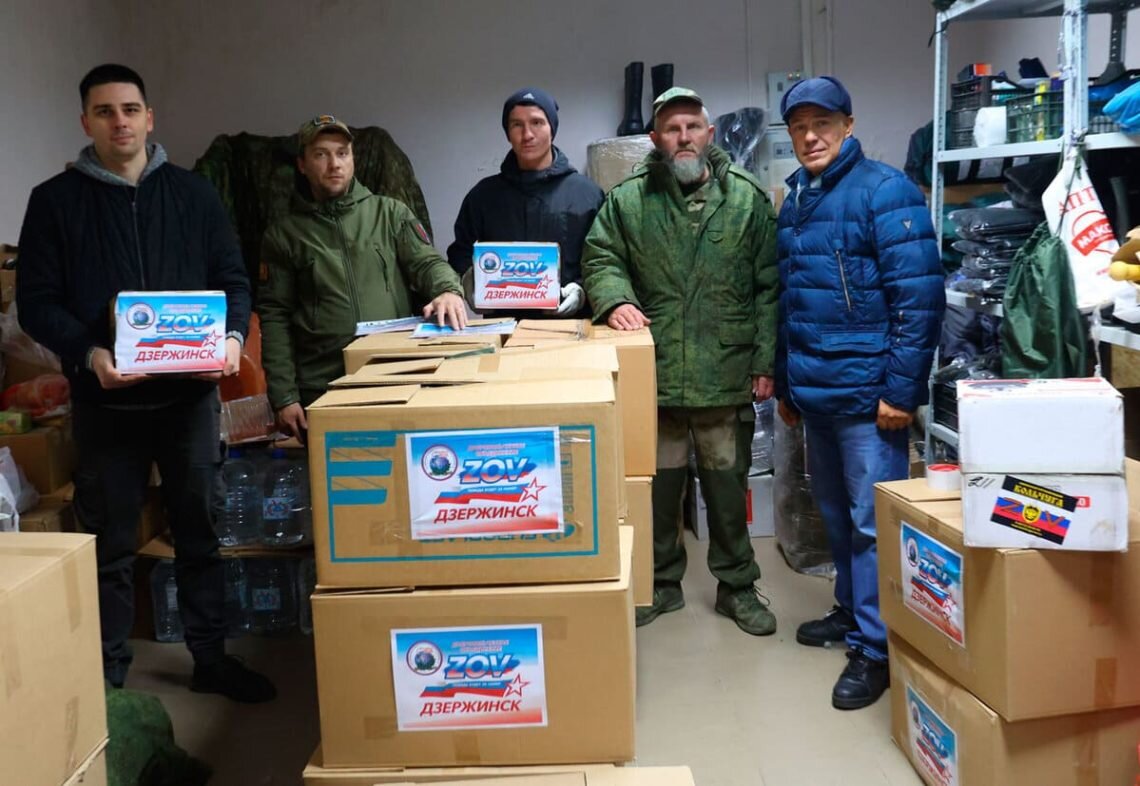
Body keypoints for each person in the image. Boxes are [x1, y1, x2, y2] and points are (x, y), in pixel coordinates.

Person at [17, 63, 274, 702]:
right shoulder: (54, 201)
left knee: (200, 535)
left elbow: (233, 280)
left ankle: (210, 661)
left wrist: (231, 340)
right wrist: (89, 353)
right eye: (105, 112)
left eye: (130, 109)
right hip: (107, 404)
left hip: (188, 402)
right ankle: (107, 679)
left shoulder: (194, 195)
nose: (120, 122)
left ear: (150, 117)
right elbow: (36, 303)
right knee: (109, 545)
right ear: (85, 122)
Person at [582, 87, 779, 636]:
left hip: (725, 369)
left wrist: (764, 361)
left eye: (692, 126)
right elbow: (600, 257)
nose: (684, 137)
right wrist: (615, 299)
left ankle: (737, 587)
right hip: (658, 374)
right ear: (655, 139)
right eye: (672, 129)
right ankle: (660, 583)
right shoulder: (628, 200)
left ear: (710, 134)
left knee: (727, 489)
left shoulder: (746, 199)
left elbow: (769, 285)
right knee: (657, 490)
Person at [774, 76, 944, 710]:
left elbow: (919, 300)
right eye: (799, 127)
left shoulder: (885, 190)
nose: (810, 136)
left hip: (871, 399)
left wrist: (901, 390)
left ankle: (877, 649)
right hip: (817, 393)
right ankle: (852, 612)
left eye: (822, 123)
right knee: (839, 519)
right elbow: (791, 302)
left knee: (873, 525)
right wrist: (787, 382)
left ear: (848, 125)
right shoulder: (796, 199)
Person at [258, 115, 466, 441]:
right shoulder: (285, 234)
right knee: (333, 473)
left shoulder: (390, 214)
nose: (334, 164)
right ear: (302, 164)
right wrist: (284, 396)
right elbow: (275, 316)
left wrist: (448, 290)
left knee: (398, 469)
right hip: (323, 387)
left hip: (392, 376)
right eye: (321, 154)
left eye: (342, 153)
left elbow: (427, 262)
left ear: (353, 158)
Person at [447, 88, 603, 318]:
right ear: (508, 133)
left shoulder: (587, 194)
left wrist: (582, 291)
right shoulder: (484, 195)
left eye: (537, 122)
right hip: (504, 327)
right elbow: (459, 252)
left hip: (569, 326)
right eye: (516, 125)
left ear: (552, 129)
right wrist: (468, 279)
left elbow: (604, 258)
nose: (527, 134)